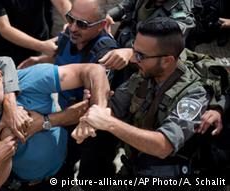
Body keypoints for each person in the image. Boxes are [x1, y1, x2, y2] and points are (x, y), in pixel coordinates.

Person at [74, 17, 210, 184]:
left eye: (141, 55)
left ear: (167, 60)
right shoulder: (143, 76)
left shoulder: (193, 94)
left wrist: (108, 122)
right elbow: (113, 107)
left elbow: (163, 146)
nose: (134, 59)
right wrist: (94, 109)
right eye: (134, 51)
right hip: (135, 166)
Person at [0, 53, 110, 190]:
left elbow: (94, 70)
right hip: (27, 185)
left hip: (64, 167)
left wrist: (98, 112)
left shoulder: (31, 79)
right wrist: (8, 135)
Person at [17, 0, 132, 187]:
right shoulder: (70, 35)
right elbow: (61, 57)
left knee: (92, 177)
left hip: (94, 127)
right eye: (71, 18)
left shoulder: (105, 52)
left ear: (102, 25)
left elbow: (95, 101)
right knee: (60, 168)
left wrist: (47, 120)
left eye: (82, 24)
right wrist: (38, 60)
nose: (73, 27)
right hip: (67, 118)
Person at [0, 0, 71, 65]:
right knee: (4, 86)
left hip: (37, 39)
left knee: (36, 86)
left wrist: (72, 23)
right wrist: (42, 46)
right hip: (3, 47)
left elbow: (62, 3)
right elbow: (4, 28)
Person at [107, 0, 195, 48]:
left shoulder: (181, 8)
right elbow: (126, 6)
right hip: (127, 37)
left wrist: (135, 48)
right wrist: (106, 16)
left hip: (148, 57)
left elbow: (173, 34)